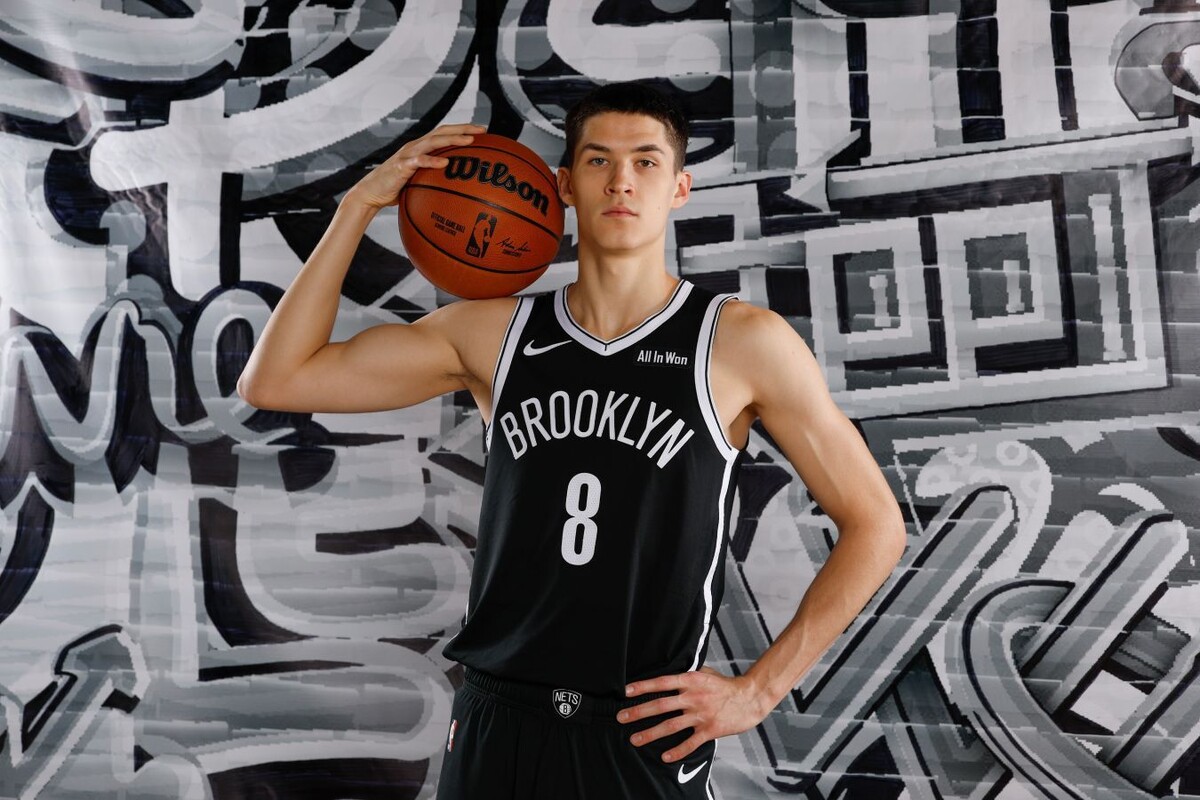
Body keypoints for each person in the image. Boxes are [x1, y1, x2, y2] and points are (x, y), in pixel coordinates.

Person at [238, 82, 906, 799]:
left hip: (640, 731)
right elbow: (276, 380)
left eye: (646, 162)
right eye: (598, 161)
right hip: (498, 717)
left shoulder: (740, 343)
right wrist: (357, 207)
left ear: (679, 188)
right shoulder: (494, 332)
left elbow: (876, 524)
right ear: (563, 185)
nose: (621, 181)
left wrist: (760, 691)